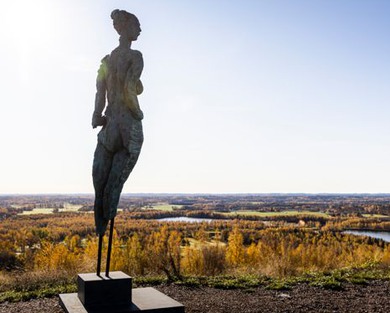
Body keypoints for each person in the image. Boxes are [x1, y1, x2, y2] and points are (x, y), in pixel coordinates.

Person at [92, 9, 144, 235]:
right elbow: (129, 88)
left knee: (100, 184)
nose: (140, 30)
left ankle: (100, 226)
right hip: (127, 126)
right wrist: (138, 112)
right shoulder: (135, 56)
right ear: (126, 28)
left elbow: (99, 92)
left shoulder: (106, 60)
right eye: (137, 26)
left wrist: (97, 115)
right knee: (114, 185)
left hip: (109, 124)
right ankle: (108, 214)